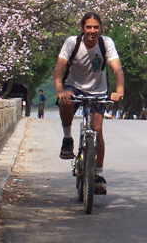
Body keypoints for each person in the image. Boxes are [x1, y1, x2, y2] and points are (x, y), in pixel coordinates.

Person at [53, 12, 124, 195]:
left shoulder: (105, 43)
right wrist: (60, 91)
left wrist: (119, 90)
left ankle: (98, 174)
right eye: (88, 27)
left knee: (97, 129)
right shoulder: (72, 43)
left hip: (98, 90)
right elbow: (59, 69)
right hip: (73, 86)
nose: (92, 31)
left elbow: (116, 68)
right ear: (82, 28)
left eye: (96, 27)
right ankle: (67, 138)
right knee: (66, 101)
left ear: (101, 28)